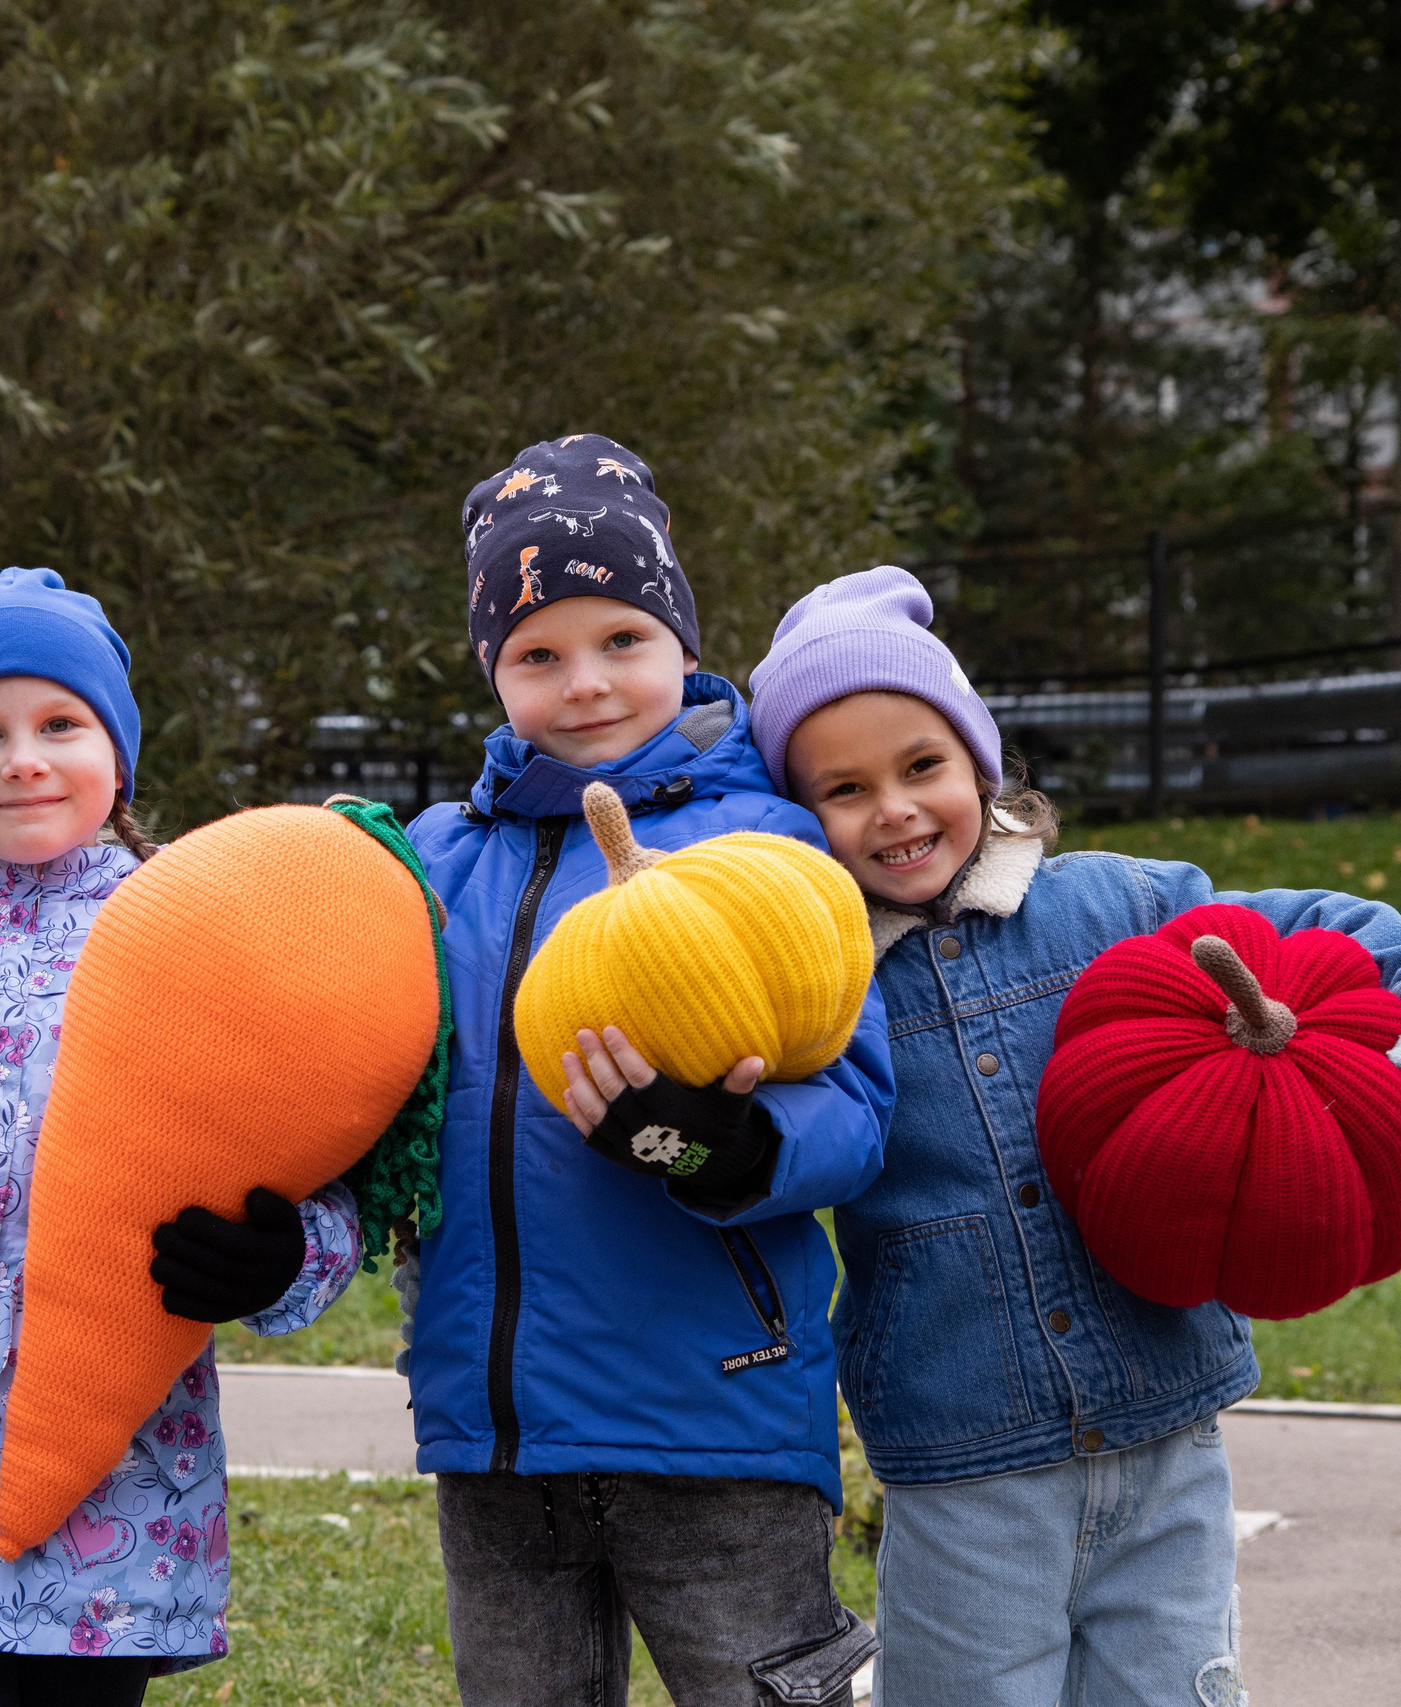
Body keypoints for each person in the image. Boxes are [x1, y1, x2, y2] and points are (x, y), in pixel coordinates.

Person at [747, 564, 1401, 1707]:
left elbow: (1313, 926)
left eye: (923, 767)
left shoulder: (1119, 910)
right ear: (794, 816)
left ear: (981, 764)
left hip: (1166, 1431)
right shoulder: (815, 989)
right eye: (844, 788)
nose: (897, 809)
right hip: (964, 1458)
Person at [0, 567, 365, 1705]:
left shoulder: (205, 935)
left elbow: (315, 1144)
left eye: (60, 722)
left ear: (117, 752)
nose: (22, 758)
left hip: (113, 1474)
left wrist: (279, 1259)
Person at [401, 434, 894, 1707]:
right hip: (497, 1430)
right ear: (492, 672)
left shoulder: (767, 841)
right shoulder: (438, 862)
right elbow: (379, 1091)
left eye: (621, 638)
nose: (586, 685)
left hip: (713, 1417)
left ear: (680, 636)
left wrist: (725, 1149)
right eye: (536, 655)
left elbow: (852, 1103)